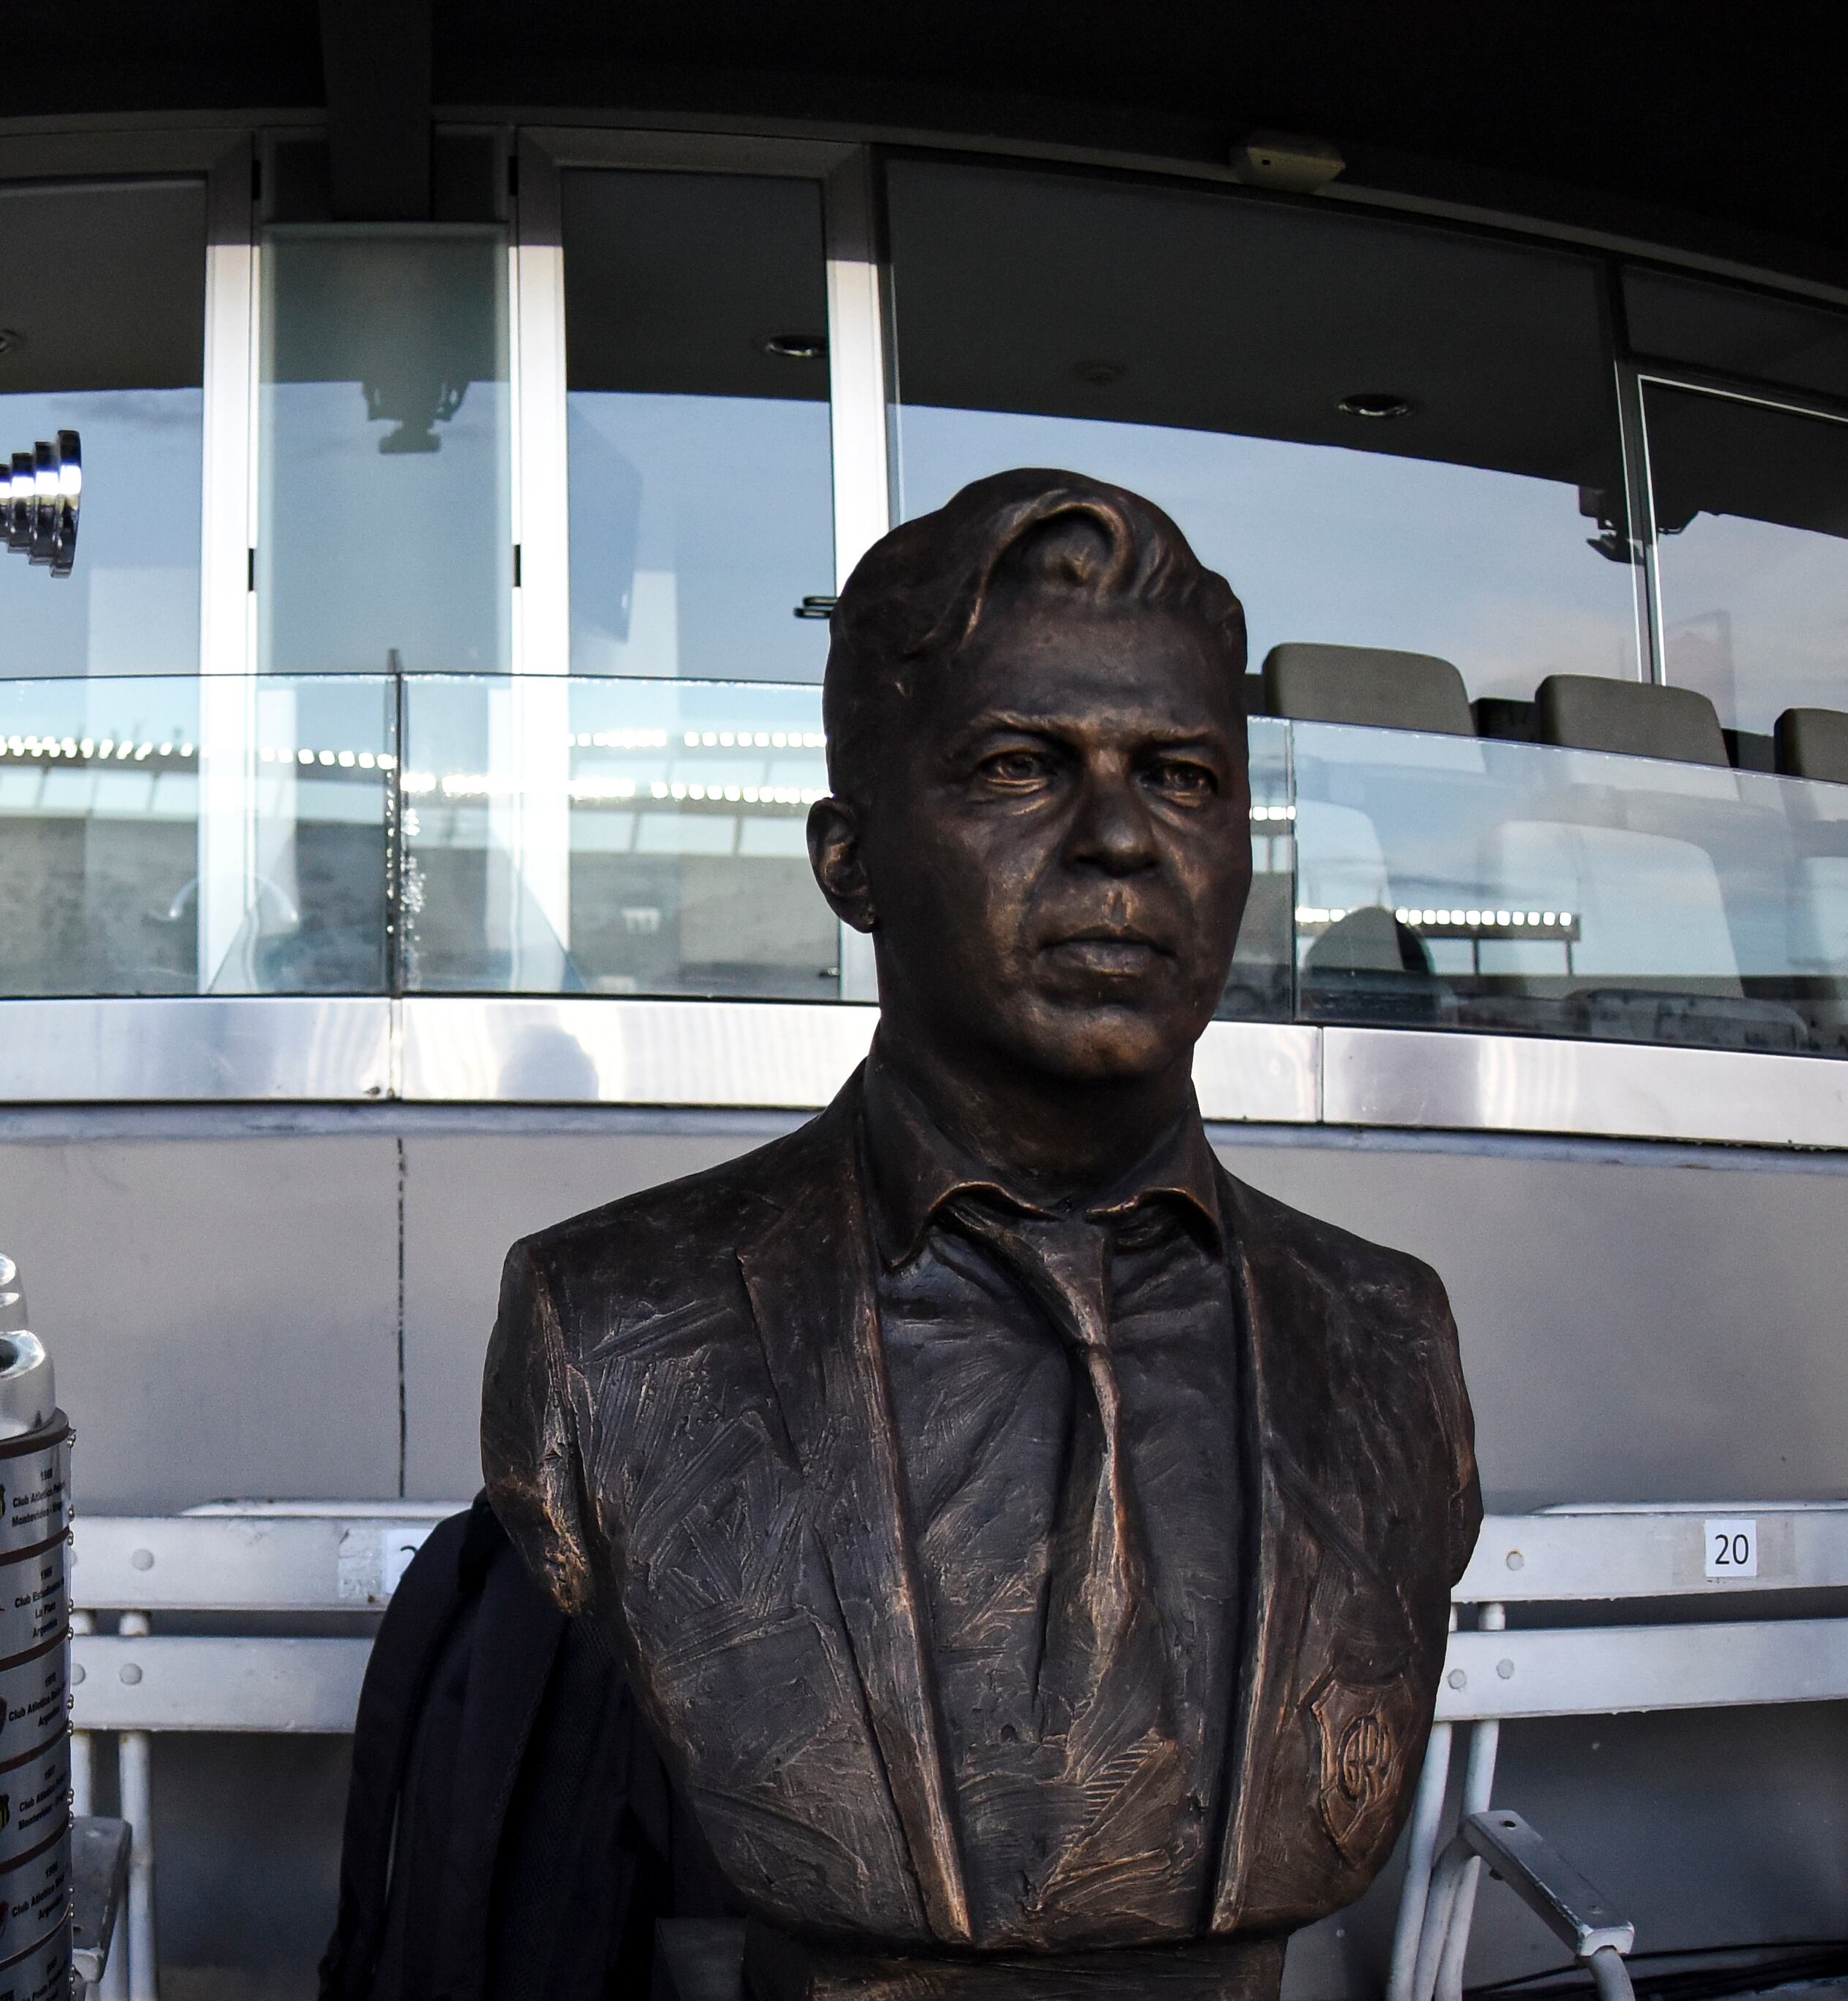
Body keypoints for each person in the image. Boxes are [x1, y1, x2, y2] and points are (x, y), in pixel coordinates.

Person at [327, 470, 1480, 2001]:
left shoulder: (1384, 1341)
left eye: (1185, 777)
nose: (1120, 840)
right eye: (1021, 766)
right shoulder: (608, 1326)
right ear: (849, 859)